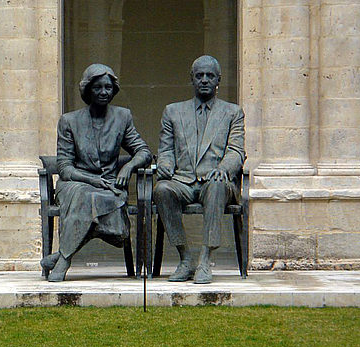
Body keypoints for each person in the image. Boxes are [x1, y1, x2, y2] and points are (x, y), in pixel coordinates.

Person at [42, 64, 152, 282]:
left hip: (108, 185)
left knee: (101, 209)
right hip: (75, 183)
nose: (104, 92)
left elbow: (144, 151)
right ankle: (64, 261)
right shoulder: (69, 121)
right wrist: (92, 179)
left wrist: (128, 166)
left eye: (108, 88)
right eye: (98, 88)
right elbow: (64, 167)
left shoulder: (123, 117)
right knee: (84, 196)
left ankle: (60, 255)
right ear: (87, 90)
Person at [153, 55, 245, 284]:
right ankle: (185, 259)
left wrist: (224, 169)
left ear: (218, 80)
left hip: (215, 181)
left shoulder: (233, 112)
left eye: (210, 76)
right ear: (192, 79)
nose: (204, 80)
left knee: (215, 186)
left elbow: (236, 150)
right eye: (199, 76)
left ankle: (205, 259)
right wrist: (165, 165)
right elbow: (165, 150)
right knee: (162, 190)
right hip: (182, 181)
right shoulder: (173, 111)